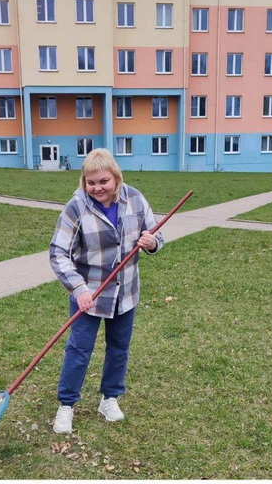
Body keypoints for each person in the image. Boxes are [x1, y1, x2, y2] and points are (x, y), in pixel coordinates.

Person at [49, 148, 163, 433]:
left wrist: (152, 243)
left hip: (125, 292)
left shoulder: (135, 199)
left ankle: (109, 398)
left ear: (116, 178)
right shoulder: (76, 207)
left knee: (119, 349)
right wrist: (79, 289)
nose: (97, 188)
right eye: (91, 182)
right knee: (79, 350)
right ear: (83, 182)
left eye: (103, 181)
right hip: (89, 295)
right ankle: (67, 405)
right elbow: (58, 253)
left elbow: (155, 233)